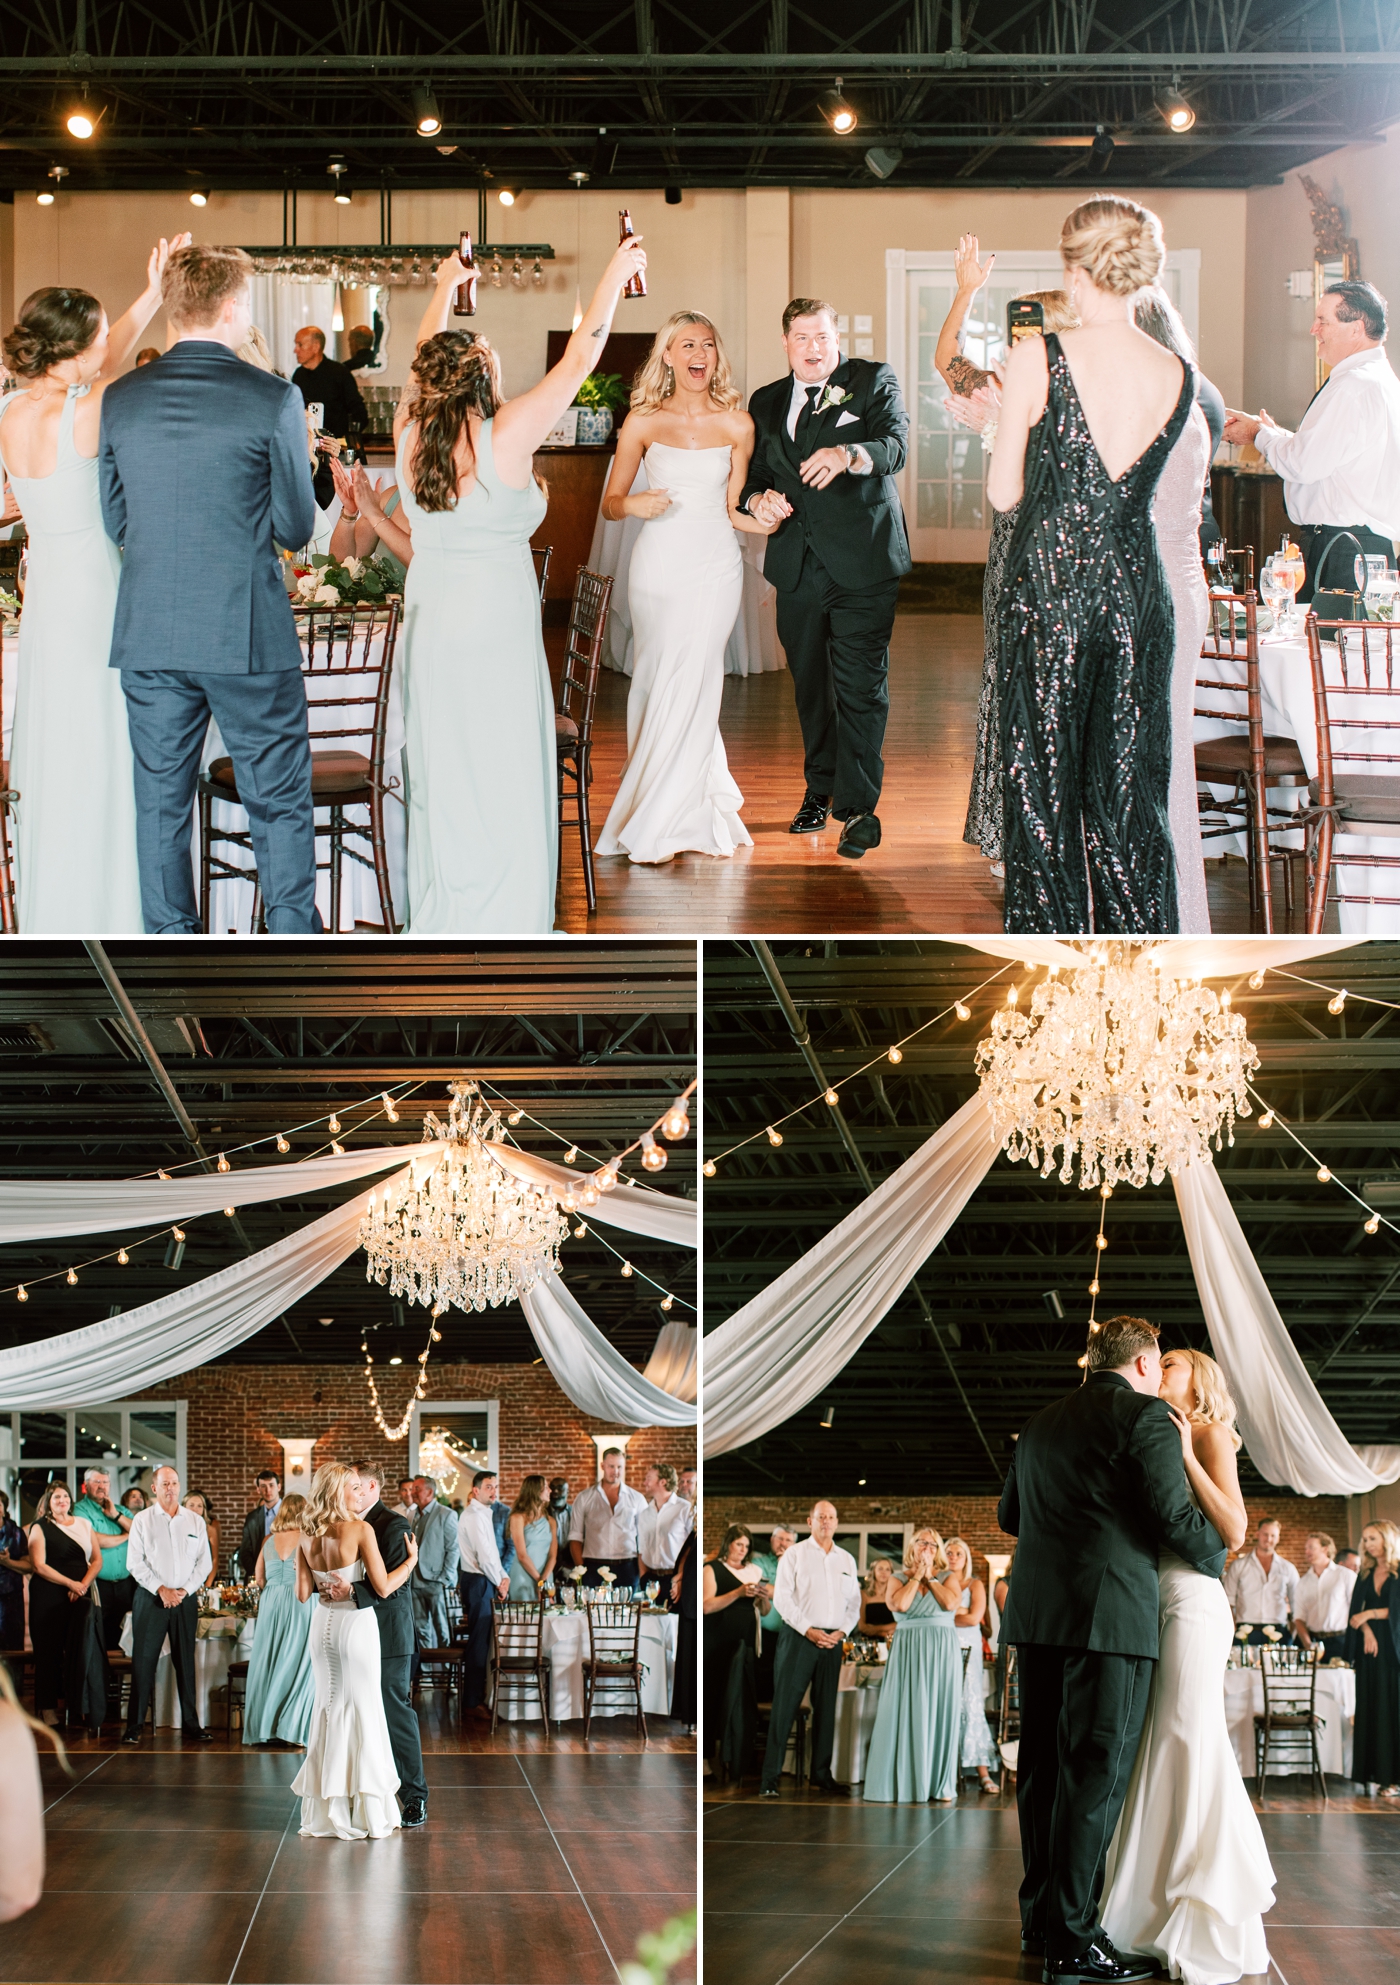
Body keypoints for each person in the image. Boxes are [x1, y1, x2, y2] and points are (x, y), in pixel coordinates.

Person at [349, 232, 647, 933]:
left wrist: (443, 287)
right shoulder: (506, 434)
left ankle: (448, 906)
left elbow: (424, 548)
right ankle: (505, 912)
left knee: (447, 768)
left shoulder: (410, 432)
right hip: (495, 629)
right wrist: (614, 271)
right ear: (485, 375)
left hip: (434, 622)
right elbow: (583, 354)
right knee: (502, 769)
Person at [998, 1315, 1228, 1983]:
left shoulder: (1038, 1423)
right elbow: (1172, 1515)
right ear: (1146, 1366)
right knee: (1094, 1774)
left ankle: (1040, 1920)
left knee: (1039, 1770)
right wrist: (1218, 1554)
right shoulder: (1147, 1417)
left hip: (1036, 1616)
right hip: (1110, 1619)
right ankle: (1074, 1941)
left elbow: (1011, 1515)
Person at [98, 242, 320, 935]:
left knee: (161, 806)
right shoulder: (274, 396)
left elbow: (116, 518)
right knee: (277, 800)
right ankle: (291, 963)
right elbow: (295, 524)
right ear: (231, 309)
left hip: (152, 630)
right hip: (245, 631)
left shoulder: (121, 398)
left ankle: (172, 963)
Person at [988, 197, 1194, 935]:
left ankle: (1052, 978)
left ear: (1073, 274)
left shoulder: (1037, 353)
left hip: (1050, 595)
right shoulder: (1177, 370)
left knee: (1042, 803)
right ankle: (1143, 978)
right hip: (1138, 594)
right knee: (1132, 807)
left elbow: (1004, 491)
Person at [0, 240, 186, 932]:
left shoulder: (12, 414)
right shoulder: (89, 408)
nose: (109, 346)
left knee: (59, 748)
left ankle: (59, 905)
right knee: (106, 749)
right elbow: (121, 361)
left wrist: (149, 293)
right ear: (74, 351)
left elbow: (106, 352)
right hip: (99, 598)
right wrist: (164, 298)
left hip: (49, 598)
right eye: (100, 338)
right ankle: (111, 909)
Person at [1100, 1345, 1274, 1982]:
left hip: (1196, 1603)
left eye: (1170, 1360)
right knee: (1160, 1741)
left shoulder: (1209, 1433)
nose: (1159, 1366)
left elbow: (1232, 1529)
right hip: (1155, 1599)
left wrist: (1184, 1456)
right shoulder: (1156, 1431)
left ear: (1197, 1378)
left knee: (1184, 1736)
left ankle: (1198, 1911)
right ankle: (1144, 1910)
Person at [738, 298, 910, 860]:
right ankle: (820, 788)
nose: (814, 348)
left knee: (860, 686)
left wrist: (848, 453)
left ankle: (859, 810)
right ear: (785, 343)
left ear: (837, 338)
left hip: (863, 562)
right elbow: (754, 475)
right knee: (811, 686)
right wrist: (758, 499)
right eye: (801, 338)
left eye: (822, 337)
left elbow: (895, 446)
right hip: (795, 565)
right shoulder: (764, 401)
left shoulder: (872, 380)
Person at [595, 311, 767, 866]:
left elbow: (735, 510)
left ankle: (676, 811)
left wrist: (764, 520)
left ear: (716, 356)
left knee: (698, 680)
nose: (699, 353)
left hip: (715, 567)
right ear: (666, 355)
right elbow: (611, 503)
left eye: (708, 344)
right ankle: (653, 802)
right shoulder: (642, 423)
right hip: (658, 568)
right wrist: (635, 504)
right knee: (654, 678)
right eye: (686, 344)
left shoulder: (739, 425)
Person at [933, 236, 1080, 872]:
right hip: (1008, 548)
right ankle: (1006, 833)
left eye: (1026, 330)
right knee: (1004, 679)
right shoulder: (998, 385)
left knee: (1052, 689)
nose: (1012, 341)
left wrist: (1002, 426)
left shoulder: (1083, 399)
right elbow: (947, 361)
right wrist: (966, 290)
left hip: (1060, 554)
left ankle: (1054, 834)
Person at [1223, 281, 1400, 600]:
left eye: (1323, 321)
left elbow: (1305, 464)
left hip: (1343, 552)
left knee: (1328, 648)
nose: (1313, 329)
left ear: (1356, 328)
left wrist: (1256, 434)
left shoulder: (1352, 387)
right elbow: (1333, 457)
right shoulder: (1380, 381)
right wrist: (1276, 436)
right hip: (1361, 548)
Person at [1132, 284, 1214, 935]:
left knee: (1149, 762)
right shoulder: (1191, 397)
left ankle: (1157, 913)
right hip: (1177, 589)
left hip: (1152, 597)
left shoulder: (1151, 409)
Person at [292, 1461, 417, 1839]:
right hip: (355, 1626)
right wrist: (410, 1562)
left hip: (322, 1627)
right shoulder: (360, 1529)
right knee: (363, 1709)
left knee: (329, 1706)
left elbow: (302, 1593)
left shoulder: (305, 1532)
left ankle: (329, 1807)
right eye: (353, 1487)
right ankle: (366, 1810)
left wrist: (325, 1581)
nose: (360, 1492)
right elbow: (381, 1587)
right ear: (338, 1491)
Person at [759, 1500, 861, 1799]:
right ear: (810, 1521)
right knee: (785, 1707)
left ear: (837, 1523)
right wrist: (809, 1630)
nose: (826, 1522)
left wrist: (841, 1631)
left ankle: (821, 1774)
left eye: (831, 1517)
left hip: (833, 1640)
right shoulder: (794, 1554)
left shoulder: (846, 1560)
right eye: (821, 1517)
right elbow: (783, 1599)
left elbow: (854, 1602)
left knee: (826, 1709)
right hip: (799, 1637)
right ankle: (770, 1778)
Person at [862, 1529, 962, 1804]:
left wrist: (930, 1576)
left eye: (933, 1544)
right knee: (904, 1708)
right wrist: (917, 1575)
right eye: (922, 1542)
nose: (927, 1547)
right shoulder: (897, 1579)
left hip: (941, 1650)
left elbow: (951, 1603)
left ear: (938, 1550)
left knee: (939, 1709)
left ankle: (938, 1783)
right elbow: (900, 1604)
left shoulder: (948, 1577)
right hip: (908, 1647)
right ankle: (902, 1782)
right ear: (912, 1547)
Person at [123, 1465, 212, 1745]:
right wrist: (161, 1589)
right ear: (155, 1488)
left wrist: (183, 1591)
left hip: (184, 1601)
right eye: (165, 1484)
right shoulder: (142, 1520)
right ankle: (134, 1726)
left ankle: (191, 1724)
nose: (170, 1488)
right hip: (151, 1599)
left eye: (174, 1483)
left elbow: (204, 1563)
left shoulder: (195, 1521)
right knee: (143, 1663)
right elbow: (134, 1563)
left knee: (186, 1663)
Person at [26, 1484, 103, 1733]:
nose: (62, 1500)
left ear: (71, 1500)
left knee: (79, 1650)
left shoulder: (83, 1524)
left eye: (65, 1496)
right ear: (48, 1501)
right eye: (56, 1497)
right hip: (48, 1595)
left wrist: (81, 1585)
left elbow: (97, 1560)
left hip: (78, 1596)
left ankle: (78, 1705)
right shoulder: (40, 1527)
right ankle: (47, 1708)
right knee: (48, 1652)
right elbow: (38, 1565)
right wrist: (70, 1583)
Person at [243, 1492, 314, 1748]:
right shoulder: (308, 1538)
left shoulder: (268, 1541)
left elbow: (259, 1579)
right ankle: (292, 1728)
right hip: (300, 1600)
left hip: (271, 1601)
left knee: (269, 1661)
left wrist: (274, 1588)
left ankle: (265, 1727)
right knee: (299, 1663)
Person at [703, 1524, 765, 1779]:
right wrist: (738, 1592)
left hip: (747, 1641)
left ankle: (738, 1756)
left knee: (742, 1699)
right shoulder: (712, 1568)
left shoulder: (754, 1571)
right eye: (739, 1544)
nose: (743, 1550)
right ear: (729, 1543)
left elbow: (766, 1611)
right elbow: (706, 1606)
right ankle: (707, 1759)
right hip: (718, 1640)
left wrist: (763, 1596)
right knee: (713, 1698)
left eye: (747, 1546)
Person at [1346, 1519, 1400, 1796]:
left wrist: (1370, 1614)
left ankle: (1394, 1779)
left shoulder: (1398, 1571)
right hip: (1370, 1652)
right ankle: (1376, 1773)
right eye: (1365, 1539)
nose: (1367, 1544)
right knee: (1373, 1709)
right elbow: (1356, 1611)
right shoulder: (1364, 1574)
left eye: (1372, 1538)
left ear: (1387, 1540)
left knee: (1394, 1710)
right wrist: (1366, 1629)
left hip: (1395, 1650)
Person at [291, 325, 368, 510]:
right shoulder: (298, 376)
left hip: (336, 455)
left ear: (316, 347)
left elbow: (359, 413)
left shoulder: (339, 373)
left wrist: (346, 442)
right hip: (308, 458)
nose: (295, 350)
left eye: (300, 344)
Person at [944, 1535, 999, 1792]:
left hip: (968, 1647)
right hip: (942, 1646)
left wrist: (948, 1614)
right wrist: (959, 1613)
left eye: (958, 1553)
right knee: (944, 1704)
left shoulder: (974, 1584)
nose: (953, 1557)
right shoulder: (937, 1581)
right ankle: (942, 1770)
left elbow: (975, 1618)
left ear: (966, 1558)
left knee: (971, 1702)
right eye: (949, 1553)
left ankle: (983, 1772)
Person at [457, 1469, 510, 1715]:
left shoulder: (483, 1514)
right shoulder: (474, 1516)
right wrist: (500, 1581)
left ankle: (476, 1696)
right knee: (478, 1643)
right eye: (489, 1486)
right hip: (478, 1582)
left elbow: (493, 1553)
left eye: (496, 1486)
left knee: (482, 1641)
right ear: (476, 1490)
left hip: (484, 1579)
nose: (494, 1491)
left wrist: (504, 1577)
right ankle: (471, 1701)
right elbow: (485, 1556)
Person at [70, 1468, 134, 1652]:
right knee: (98, 1635)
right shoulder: (79, 1510)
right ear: (85, 1485)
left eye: (105, 1482)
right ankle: (100, 1679)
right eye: (97, 1482)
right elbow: (94, 1540)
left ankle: (120, 1679)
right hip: (98, 1584)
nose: (101, 1486)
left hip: (125, 1585)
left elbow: (140, 1531)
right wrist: (125, 1536)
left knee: (124, 1635)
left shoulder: (121, 1510)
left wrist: (116, 1516)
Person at [569, 1447, 648, 1588]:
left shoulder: (637, 1498)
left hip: (628, 1567)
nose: (616, 1472)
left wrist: (642, 1573)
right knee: (592, 1610)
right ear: (602, 1466)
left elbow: (644, 1539)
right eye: (611, 1466)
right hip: (593, 1567)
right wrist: (581, 1571)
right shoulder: (584, 1498)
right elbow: (575, 1537)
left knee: (627, 1610)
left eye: (619, 1467)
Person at [327, 455, 407, 591]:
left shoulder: (452, 505)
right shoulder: (391, 498)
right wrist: (349, 513)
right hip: (383, 609)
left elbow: (423, 563)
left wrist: (375, 515)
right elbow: (340, 564)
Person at [1222, 1516, 1298, 1646]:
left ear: (1278, 1538)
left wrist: (1293, 1631)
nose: (1269, 1539)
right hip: (1245, 1630)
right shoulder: (1239, 1565)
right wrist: (1233, 1628)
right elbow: (1228, 1601)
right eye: (1265, 1534)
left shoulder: (1288, 1568)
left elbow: (1297, 1602)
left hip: (1279, 1630)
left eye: (1273, 1536)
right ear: (1258, 1534)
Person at [407, 1475, 458, 1659]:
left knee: (442, 1630)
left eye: (417, 1489)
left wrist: (445, 1579)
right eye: (413, 1488)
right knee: (420, 1631)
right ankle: (427, 1678)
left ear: (429, 1492)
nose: (412, 1492)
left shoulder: (447, 1514)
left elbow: (453, 1549)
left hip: (437, 1582)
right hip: (415, 1582)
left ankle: (448, 1679)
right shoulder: (412, 1515)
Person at [1293, 1531, 1356, 1663]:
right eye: (1305, 1548)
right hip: (1312, 1642)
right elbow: (1299, 1618)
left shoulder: (1346, 1576)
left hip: (1340, 1641)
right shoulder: (1303, 1582)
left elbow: (1356, 1610)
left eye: (1311, 1547)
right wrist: (1308, 1645)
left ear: (1325, 1549)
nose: (1307, 1551)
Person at [637, 1461, 694, 1603]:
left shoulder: (686, 1509)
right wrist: (643, 1576)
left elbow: (693, 1548)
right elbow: (641, 1549)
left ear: (662, 1482)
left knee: (675, 1623)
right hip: (650, 1580)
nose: (645, 1483)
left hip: (676, 1579)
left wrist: (681, 1577)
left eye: (649, 1478)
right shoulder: (645, 1513)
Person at [751, 1523, 795, 1701]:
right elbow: (757, 1587)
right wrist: (787, 1593)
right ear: (772, 1540)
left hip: (792, 1633)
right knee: (762, 1681)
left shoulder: (798, 1567)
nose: (783, 1543)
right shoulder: (758, 1563)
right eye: (780, 1538)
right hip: (765, 1634)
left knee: (786, 1682)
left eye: (788, 1540)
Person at [506, 1474, 558, 1600]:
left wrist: (544, 1580)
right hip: (523, 1575)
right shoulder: (517, 1518)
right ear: (535, 1491)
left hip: (545, 1575)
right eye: (546, 1487)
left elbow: (553, 1556)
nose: (550, 1490)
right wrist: (539, 1580)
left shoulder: (550, 1521)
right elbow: (522, 1555)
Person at [670, 1528, 698, 1733]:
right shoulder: (695, 1530)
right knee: (688, 1658)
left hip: (696, 1596)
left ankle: (694, 1718)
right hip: (689, 1596)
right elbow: (687, 1555)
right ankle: (689, 1718)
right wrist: (679, 1578)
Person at [238, 1469, 282, 1581]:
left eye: (271, 1485)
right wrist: (257, 1573)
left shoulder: (293, 1513)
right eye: (263, 1486)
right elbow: (245, 1551)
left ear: (279, 1487)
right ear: (258, 1489)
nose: (268, 1490)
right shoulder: (252, 1517)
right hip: (258, 1576)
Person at [0, 1492, 28, 1653]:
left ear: (4, 1508)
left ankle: (14, 1679)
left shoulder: (16, 1533)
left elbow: (30, 1566)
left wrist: (7, 1562)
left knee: (13, 1649)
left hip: (11, 1599)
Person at [182, 1492, 219, 1584]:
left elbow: (214, 1559)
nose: (195, 1509)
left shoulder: (210, 1530)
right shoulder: (177, 1527)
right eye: (191, 1505)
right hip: (181, 1579)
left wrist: (208, 1583)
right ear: (184, 1507)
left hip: (202, 1578)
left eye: (199, 1506)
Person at [860, 1557, 896, 1641]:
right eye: (880, 1569)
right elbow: (861, 1627)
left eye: (887, 1569)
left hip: (892, 1641)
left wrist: (873, 1629)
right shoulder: (863, 1594)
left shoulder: (895, 1595)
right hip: (869, 1642)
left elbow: (900, 1623)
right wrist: (884, 1633)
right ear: (873, 1572)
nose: (884, 1572)